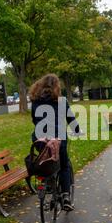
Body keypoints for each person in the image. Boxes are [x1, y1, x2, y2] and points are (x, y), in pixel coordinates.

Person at [29, 74, 80, 211]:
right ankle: (65, 196)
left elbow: (34, 120)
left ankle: (48, 185)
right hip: (58, 138)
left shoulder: (35, 101)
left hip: (40, 139)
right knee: (64, 166)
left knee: (47, 160)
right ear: (56, 86)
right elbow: (71, 119)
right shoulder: (61, 101)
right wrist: (77, 130)